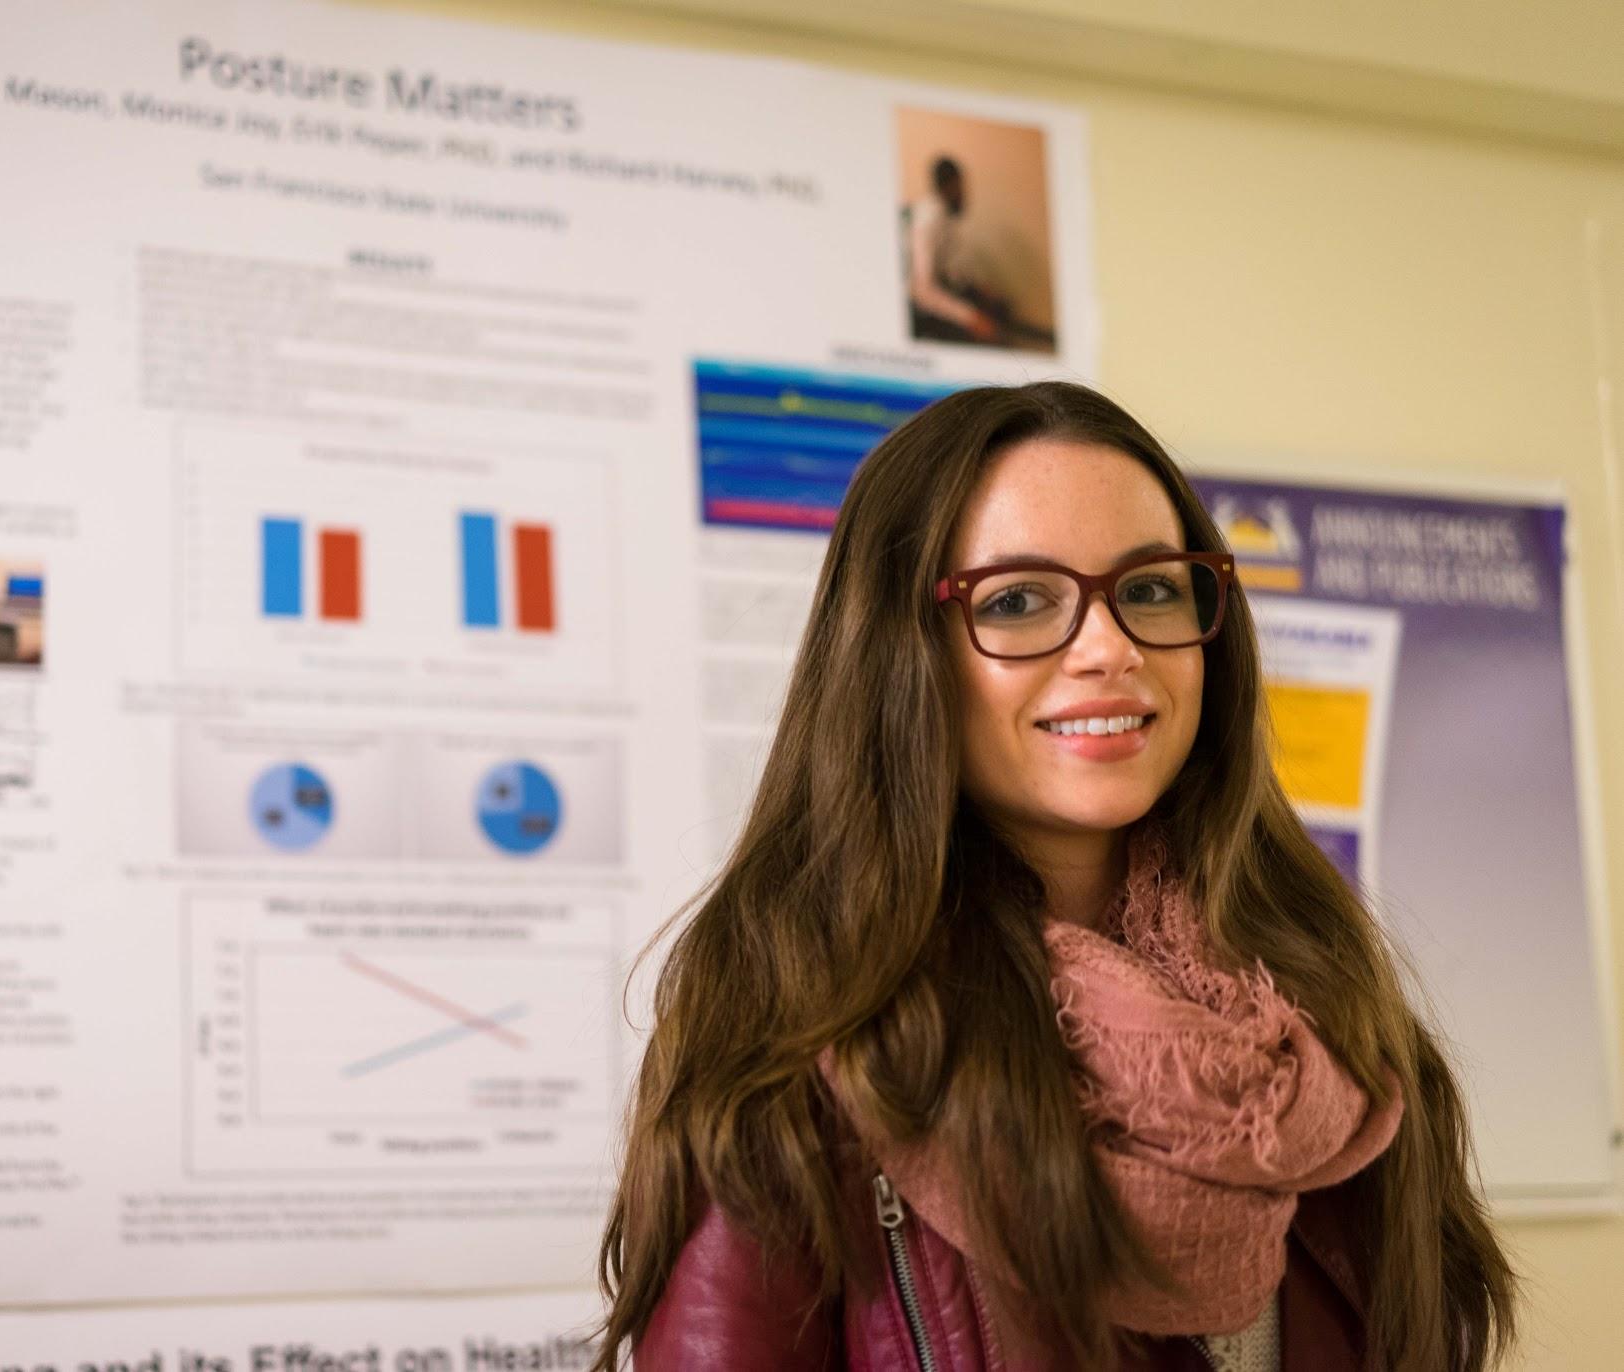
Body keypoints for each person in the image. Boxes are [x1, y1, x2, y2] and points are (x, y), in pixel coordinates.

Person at [596, 383, 1516, 1371]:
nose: (1111, 648)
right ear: (902, 655)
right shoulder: (793, 1056)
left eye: (1154, 588)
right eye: (1019, 600)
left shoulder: (1337, 1020)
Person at [904, 156, 1003, 345]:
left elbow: (952, 269)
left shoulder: (944, 216)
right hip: (913, 308)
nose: (965, 193)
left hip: (930, 293)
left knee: (998, 307)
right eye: (961, 186)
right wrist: (971, 318)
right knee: (982, 336)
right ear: (951, 185)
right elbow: (922, 290)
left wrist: (981, 289)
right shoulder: (929, 220)